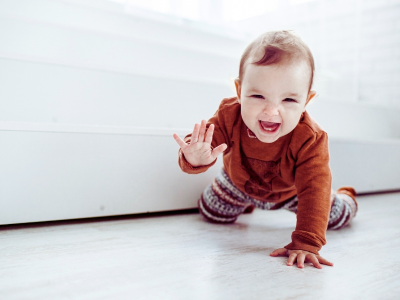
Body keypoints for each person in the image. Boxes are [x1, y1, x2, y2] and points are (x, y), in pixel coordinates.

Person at [173, 30, 357, 269]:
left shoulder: (310, 138)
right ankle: (246, 203)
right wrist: (195, 157)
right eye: (258, 95)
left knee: (333, 217)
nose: (271, 111)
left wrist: (306, 242)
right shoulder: (229, 115)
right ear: (239, 92)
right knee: (211, 212)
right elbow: (206, 141)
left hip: (292, 193)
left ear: (306, 101)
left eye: (289, 100)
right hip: (236, 184)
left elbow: (314, 188)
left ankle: (347, 198)